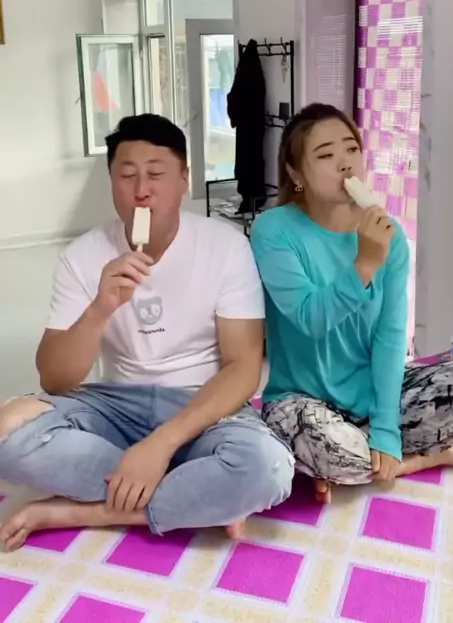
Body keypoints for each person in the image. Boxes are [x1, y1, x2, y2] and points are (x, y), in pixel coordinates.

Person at [0, 114, 294, 551]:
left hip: (201, 403)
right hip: (114, 404)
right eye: (127, 175)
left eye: (156, 174)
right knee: (8, 434)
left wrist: (160, 445)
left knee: (267, 468)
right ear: (111, 183)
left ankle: (88, 511)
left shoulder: (226, 247)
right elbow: (55, 380)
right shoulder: (81, 257)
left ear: (184, 178)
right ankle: (198, 496)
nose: (142, 189)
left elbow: (244, 368)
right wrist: (100, 309)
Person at [250, 103, 453, 504]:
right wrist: (365, 263)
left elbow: (390, 340)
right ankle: (416, 460)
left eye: (351, 149)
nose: (345, 163)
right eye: (325, 155)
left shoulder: (390, 238)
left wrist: (386, 429)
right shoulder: (273, 230)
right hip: (301, 400)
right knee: (318, 441)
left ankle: (355, 459)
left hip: (369, 396)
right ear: (295, 174)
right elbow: (311, 318)